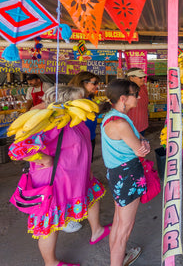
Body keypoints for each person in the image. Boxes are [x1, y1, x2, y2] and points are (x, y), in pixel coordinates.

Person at [9, 85, 108, 266]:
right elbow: (18, 150)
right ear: (66, 103)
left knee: (91, 198)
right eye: (79, 99)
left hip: (75, 177)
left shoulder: (74, 119)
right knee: (48, 226)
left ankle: (97, 231)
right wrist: (45, 159)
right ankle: (51, 262)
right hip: (54, 181)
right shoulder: (49, 123)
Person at [100, 79, 151, 266]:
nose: (138, 97)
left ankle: (118, 259)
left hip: (117, 175)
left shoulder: (111, 116)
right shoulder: (120, 123)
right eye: (135, 94)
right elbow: (141, 149)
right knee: (124, 229)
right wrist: (143, 144)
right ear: (123, 98)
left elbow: (139, 142)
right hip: (128, 176)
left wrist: (141, 142)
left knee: (118, 222)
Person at [68, 72, 101, 161]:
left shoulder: (88, 98)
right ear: (82, 83)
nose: (97, 86)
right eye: (94, 83)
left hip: (91, 137)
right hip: (78, 140)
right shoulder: (72, 99)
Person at [125, 68, 149, 136]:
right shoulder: (125, 89)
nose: (143, 79)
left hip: (142, 123)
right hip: (131, 126)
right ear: (131, 78)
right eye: (140, 77)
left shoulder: (143, 87)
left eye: (144, 77)